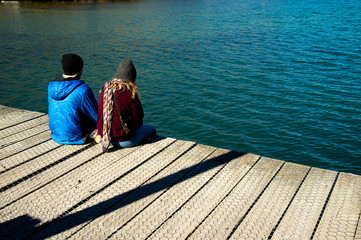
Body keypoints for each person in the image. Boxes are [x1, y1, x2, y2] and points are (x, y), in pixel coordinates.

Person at [97, 58, 156, 152]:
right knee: (151, 129)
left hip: (104, 138)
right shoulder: (129, 93)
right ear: (132, 79)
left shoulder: (105, 88)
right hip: (124, 141)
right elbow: (138, 119)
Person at [48, 53, 98, 144]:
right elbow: (96, 117)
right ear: (80, 70)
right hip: (77, 137)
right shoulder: (83, 90)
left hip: (56, 134)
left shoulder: (51, 87)